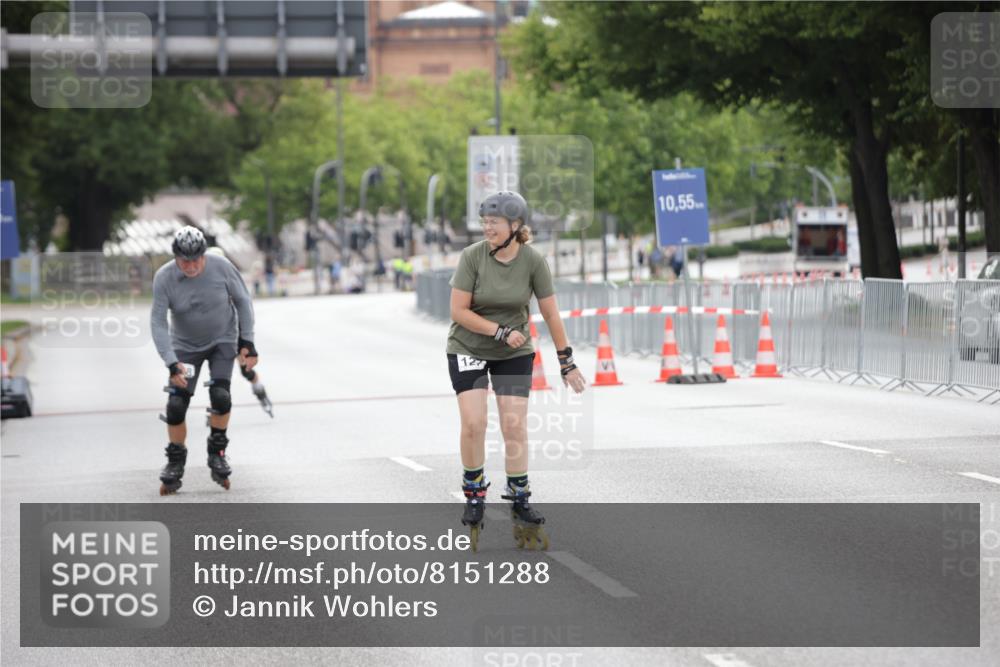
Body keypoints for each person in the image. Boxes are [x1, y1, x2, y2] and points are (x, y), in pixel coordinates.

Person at [448, 191, 587, 551]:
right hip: (469, 347)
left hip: (514, 351)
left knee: (513, 424)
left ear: (515, 226)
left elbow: (551, 314)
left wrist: (566, 361)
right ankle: (474, 492)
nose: (487, 227)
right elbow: (459, 311)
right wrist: (498, 331)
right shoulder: (472, 257)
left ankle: (520, 495)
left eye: (494, 221)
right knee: (474, 423)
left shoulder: (533, 262)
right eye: (484, 221)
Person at [151, 227, 258, 495]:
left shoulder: (221, 266)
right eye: (184, 260)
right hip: (185, 348)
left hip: (222, 340)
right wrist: (171, 362)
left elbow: (243, 302)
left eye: (196, 258)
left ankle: (217, 452)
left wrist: (247, 342)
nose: (191, 265)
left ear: (204, 254)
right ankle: (175, 462)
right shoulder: (164, 278)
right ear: (175, 257)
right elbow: (158, 322)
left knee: (220, 397)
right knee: (176, 404)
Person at [206, 247, 273, 418]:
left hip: (233, 332)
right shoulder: (203, 282)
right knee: (216, 372)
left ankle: (260, 391)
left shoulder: (231, 280)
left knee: (245, 371)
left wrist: (246, 340)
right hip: (213, 333)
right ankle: (217, 405)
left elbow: (244, 310)